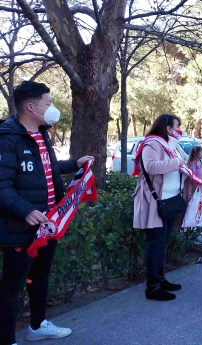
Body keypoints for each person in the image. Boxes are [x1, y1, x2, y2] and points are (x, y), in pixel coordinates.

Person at [0, 81, 94, 343]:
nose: (52, 109)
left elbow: (47, 170)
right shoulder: (8, 138)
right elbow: (1, 185)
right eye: (48, 104)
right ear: (31, 107)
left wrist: (76, 163)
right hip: (19, 228)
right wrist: (25, 210)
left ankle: (38, 325)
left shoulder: (41, 133)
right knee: (12, 286)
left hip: (47, 224)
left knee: (39, 277)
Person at [133, 114, 186, 302]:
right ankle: (152, 286)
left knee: (161, 243)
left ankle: (160, 278)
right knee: (155, 244)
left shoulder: (168, 143)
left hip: (168, 201)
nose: (178, 130)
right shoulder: (153, 143)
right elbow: (150, 166)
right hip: (153, 202)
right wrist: (177, 163)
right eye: (176, 126)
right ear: (167, 128)